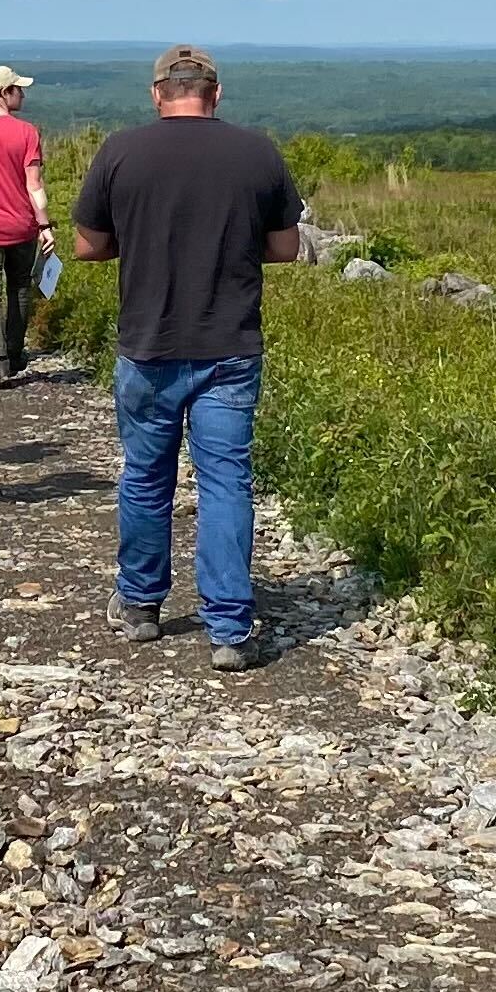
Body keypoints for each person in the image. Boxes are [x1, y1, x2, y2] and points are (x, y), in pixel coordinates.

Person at [72, 46, 303, 668]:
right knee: (226, 480)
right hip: (229, 342)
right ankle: (228, 627)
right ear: (215, 92)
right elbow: (284, 248)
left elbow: (87, 245)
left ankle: (142, 606)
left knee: (146, 476)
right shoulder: (257, 151)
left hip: (148, 342)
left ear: (157, 93)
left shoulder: (121, 150)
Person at [0, 65, 54, 391]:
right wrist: (44, 224)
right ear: (5, 93)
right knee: (18, 288)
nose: (23, 93)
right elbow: (35, 184)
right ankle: (15, 353)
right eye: (18, 89)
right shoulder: (27, 132)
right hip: (20, 224)